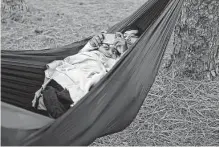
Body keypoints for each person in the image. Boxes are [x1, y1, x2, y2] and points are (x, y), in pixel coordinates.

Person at [32, 29, 141, 118]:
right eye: (124, 35)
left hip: (74, 90)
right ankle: (49, 106)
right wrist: (91, 44)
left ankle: (52, 108)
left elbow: (115, 76)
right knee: (51, 98)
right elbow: (76, 58)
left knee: (59, 102)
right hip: (62, 79)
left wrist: (124, 53)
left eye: (130, 39)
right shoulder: (94, 51)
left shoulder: (116, 61)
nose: (123, 39)